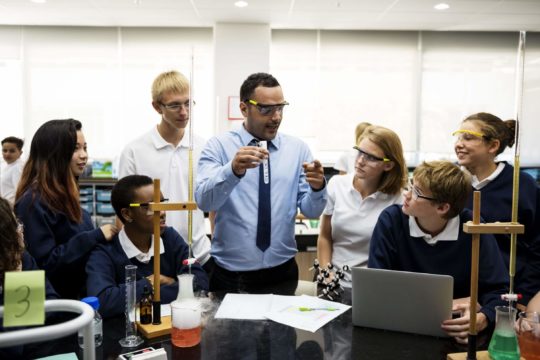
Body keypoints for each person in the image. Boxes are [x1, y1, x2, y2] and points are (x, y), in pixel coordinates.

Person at [195, 72, 327, 293]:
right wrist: (232, 170)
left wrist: (317, 188)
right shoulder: (218, 147)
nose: (276, 117)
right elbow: (204, 202)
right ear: (244, 109)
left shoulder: (298, 150)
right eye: (266, 109)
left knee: (283, 330)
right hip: (231, 276)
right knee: (228, 330)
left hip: (282, 274)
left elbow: (312, 211)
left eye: (280, 108)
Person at [368, 161, 508, 344]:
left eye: (416, 192)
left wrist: (483, 318)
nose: (406, 194)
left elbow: (499, 292)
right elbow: (376, 286)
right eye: (410, 185)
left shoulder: (473, 227)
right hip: (399, 330)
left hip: (454, 335)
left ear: (442, 208)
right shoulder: (391, 220)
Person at [15, 119, 118, 299]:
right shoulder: (32, 203)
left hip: (80, 300)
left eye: (85, 148)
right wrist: (96, 236)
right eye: (75, 149)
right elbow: (43, 264)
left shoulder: (66, 196)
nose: (83, 155)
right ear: (54, 153)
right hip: (57, 308)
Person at [118, 70, 211, 266]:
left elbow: (215, 203)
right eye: (175, 105)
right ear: (157, 107)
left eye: (188, 103)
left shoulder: (204, 148)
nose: (184, 112)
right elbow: (123, 211)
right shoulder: (134, 151)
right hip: (154, 257)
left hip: (199, 255)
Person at [86, 175, 208, 318]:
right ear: (127, 214)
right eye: (151, 207)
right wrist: (152, 283)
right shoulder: (105, 252)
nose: (162, 212)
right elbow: (103, 302)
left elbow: (200, 282)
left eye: (162, 203)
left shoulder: (170, 238)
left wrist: (138, 297)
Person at [454, 112, 540, 305]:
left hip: (505, 293)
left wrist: (524, 297)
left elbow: (537, 248)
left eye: (467, 137)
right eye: (458, 137)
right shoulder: (450, 181)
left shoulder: (523, 186)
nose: (459, 144)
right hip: (457, 291)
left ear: (493, 146)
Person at [317, 125, 406, 286]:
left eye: (371, 157)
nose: (360, 161)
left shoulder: (399, 199)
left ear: (388, 165)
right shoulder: (337, 185)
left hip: (372, 287)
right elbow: (325, 236)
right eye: (360, 152)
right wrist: (325, 272)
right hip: (332, 282)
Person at [0, 197, 59, 358]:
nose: (21, 230)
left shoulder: (19, 257)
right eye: (15, 226)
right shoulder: (15, 263)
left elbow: (52, 304)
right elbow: (12, 347)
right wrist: (16, 281)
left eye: (18, 222)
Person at [1, 136, 25, 205]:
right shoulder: (8, 165)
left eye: (12, 151)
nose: (7, 154)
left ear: (20, 153)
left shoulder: (18, 167)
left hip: (12, 207)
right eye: (4, 150)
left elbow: (20, 191)